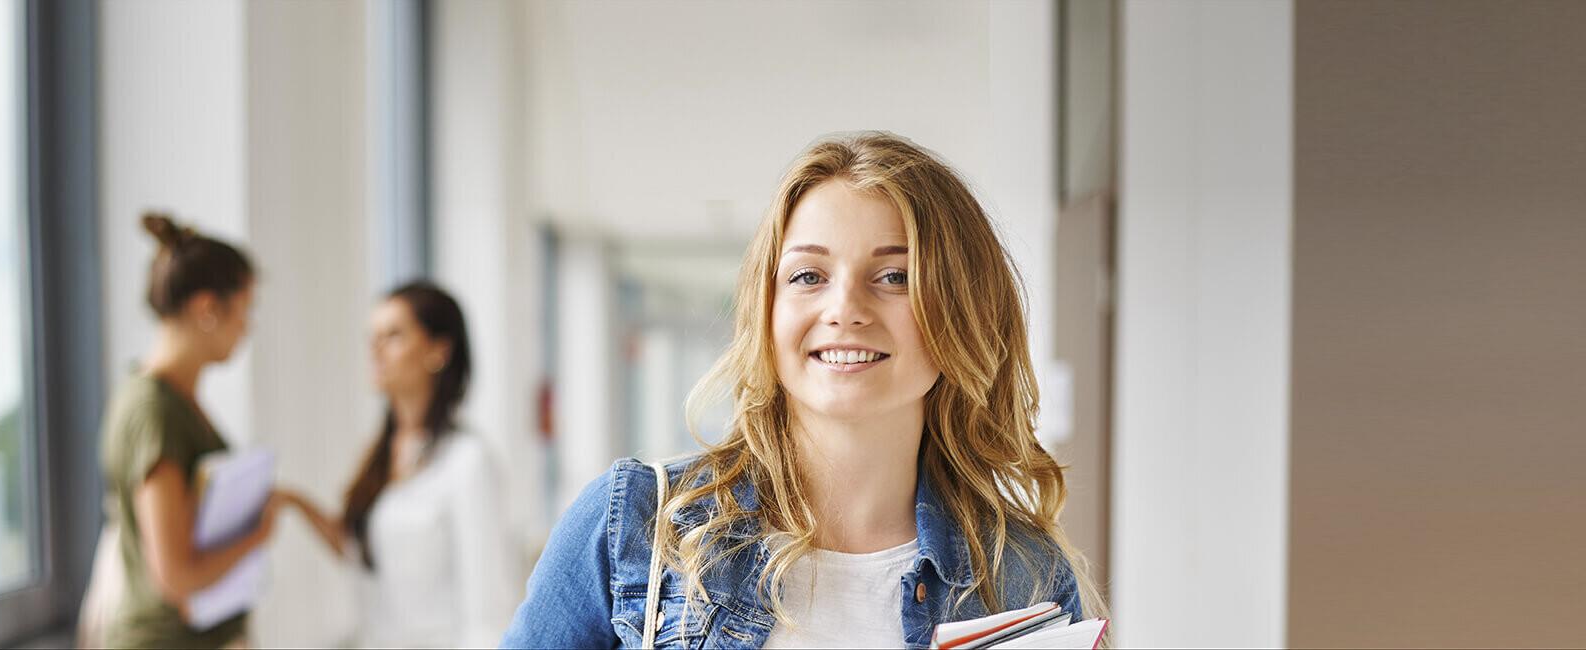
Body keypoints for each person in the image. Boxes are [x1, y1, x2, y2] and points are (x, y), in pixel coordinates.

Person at [502, 132, 1105, 649]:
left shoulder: (1025, 578)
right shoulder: (636, 527)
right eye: (808, 276)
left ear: (962, 310)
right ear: (767, 308)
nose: (844, 308)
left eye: (895, 276)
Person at [93, 212, 292, 649]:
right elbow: (176, 576)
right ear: (206, 309)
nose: (247, 327)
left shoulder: (174, 403)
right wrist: (258, 534)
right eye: (245, 309)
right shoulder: (154, 410)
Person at [290, 281, 522, 647]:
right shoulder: (381, 455)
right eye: (372, 337)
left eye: (393, 335)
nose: (376, 349)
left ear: (438, 350)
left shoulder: (467, 462)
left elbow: (487, 610)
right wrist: (293, 502)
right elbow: (363, 551)